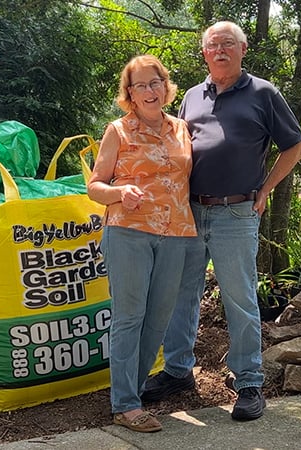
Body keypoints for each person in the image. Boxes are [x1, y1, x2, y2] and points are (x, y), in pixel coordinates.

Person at [141, 21, 301, 422]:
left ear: (242, 49)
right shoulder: (192, 98)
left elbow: (295, 146)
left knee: (239, 298)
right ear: (204, 54)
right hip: (190, 211)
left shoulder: (264, 93)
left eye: (227, 44)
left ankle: (249, 382)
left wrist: (265, 190)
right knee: (182, 294)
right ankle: (179, 371)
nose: (219, 50)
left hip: (237, 212)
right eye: (213, 45)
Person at [87, 55, 197, 433]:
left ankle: (130, 393)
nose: (149, 91)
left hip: (177, 234)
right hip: (129, 231)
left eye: (155, 83)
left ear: (166, 87)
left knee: (158, 319)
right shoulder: (118, 130)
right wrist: (119, 192)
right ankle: (126, 404)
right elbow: (94, 186)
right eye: (140, 85)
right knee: (130, 317)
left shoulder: (182, 129)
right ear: (129, 94)